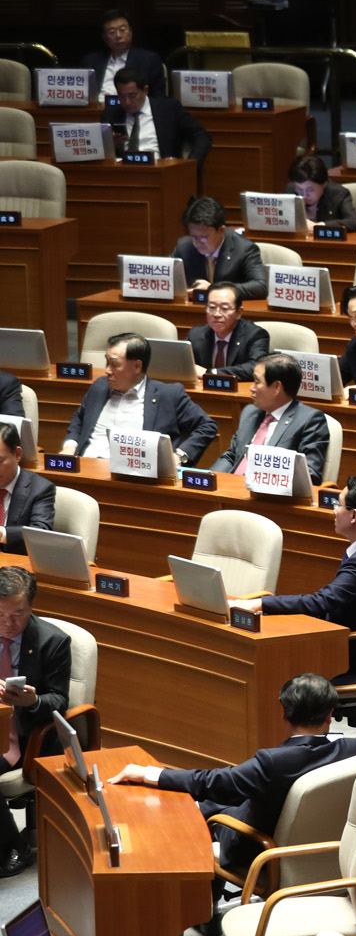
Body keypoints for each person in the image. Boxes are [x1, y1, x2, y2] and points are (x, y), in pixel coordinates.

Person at [108, 672, 356, 920]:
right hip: (333, 846)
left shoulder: (272, 763)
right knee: (220, 799)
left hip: (263, 850)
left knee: (206, 810)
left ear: (284, 714)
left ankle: (206, 913)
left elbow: (210, 782)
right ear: (330, 715)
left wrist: (148, 774)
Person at [239, 476, 356, 683]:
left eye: (339, 505)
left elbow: (320, 603)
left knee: (267, 662)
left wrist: (260, 603)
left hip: (347, 655)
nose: (334, 510)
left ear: (353, 516)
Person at [0, 566, 74, 875]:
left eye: (17, 614)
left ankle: (13, 845)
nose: (8, 622)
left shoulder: (53, 642)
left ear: (31, 607)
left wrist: (34, 701)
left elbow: (60, 700)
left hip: (28, 738)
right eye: (1, 614)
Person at [61, 334, 216, 466]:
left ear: (137, 366)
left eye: (114, 364)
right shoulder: (99, 387)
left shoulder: (168, 395)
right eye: (107, 362)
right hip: (85, 467)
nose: (107, 370)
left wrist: (180, 456)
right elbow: (79, 418)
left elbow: (207, 426)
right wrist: (70, 446)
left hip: (132, 477)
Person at [213, 352, 332, 484]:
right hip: (232, 489)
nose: (251, 388)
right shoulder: (250, 412)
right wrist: (212, 478)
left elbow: (310, 474)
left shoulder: (310, 420)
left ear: (277, 387)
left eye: (257, 382)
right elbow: (232, 456)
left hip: (267, 496)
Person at [104, 67, 209, 163]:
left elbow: (202, 136)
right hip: (124, 172)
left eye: (132, 95)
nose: (127, 102)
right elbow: (101, 151)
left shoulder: (169, 109)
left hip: (161, 169)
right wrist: (110, 145)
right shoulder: (111, 113)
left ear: (145, 90)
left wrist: (190, 165)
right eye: (121, 96)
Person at [172, 196, 268, 300]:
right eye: (194, 236)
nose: (198, 242)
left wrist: (214, 289)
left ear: (221, 230)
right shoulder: (184, 246)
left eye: (204, 237)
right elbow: (165, 274)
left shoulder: (244, 249)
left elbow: (260, 287)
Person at [189, 283, 270, 381]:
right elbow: (181, 362)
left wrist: (211, 373)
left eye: (225, 308)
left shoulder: (255, 335)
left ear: (239, 312)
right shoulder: (196, 334)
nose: (217, 314)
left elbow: (257, 367)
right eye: (212, 307)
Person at [83, 9, 166, 101]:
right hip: (96, 110)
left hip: (132, 111)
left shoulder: (149, 60)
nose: (118, 35)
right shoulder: (91, 60)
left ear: (131, 32)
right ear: (105, 38)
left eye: (122, 30)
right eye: (112, 32)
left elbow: (158, 97)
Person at [0, 424, 56, 555]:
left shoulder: (41, 489)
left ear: (18, 454)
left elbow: (40, 532)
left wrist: (2, 533)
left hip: (14, 569)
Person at [288, 154, 356, 229]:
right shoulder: (291, 190)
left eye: (310, 190)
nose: (304, 195)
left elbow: (354, 222)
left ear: (324, 184)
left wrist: (318, 226)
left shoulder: (338, 194)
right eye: (300, 189)